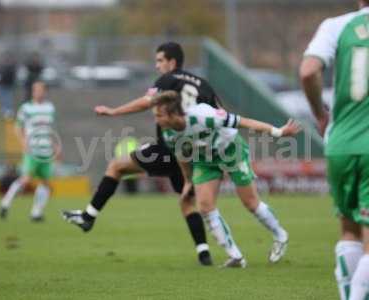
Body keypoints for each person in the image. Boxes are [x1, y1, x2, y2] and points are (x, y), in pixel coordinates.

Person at [62, 42, 221, 266]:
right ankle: (204, 253)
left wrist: (113, 111)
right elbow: (220, 115)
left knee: (116, 166)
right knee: (187, 202)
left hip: (168, 148)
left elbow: (147, 102)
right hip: (193, 153)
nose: (157, 66)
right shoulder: (204, 85)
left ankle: (88, 217)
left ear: (172, 62)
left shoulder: (167, 80)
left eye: (159, 61)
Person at [150, 91, 300, 267]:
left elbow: (244, 122)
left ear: (174, 114)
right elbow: (181, 154)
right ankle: (236, 256)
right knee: (205, 207)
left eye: (159, 115)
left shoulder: (204, 116)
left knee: (251, 203)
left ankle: (280, 235)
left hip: (231, 151)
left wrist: (278, 132)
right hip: (204, 160)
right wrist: (188, 181)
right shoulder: (168, 134)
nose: (156, 120)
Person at [300, 1, 369, 299]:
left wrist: (319, 113)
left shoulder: (336, 25)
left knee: (350, 230)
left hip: (339, 142)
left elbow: (308, 71)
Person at [0, 81, 59, 222]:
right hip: (32, 149)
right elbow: (18, 127)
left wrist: (56, 146)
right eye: (35, 90)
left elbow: (52, 129)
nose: (38, 92)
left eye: (40, 90)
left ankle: (36, 213)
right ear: (32, 92)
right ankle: (5, 203)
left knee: (45, 183)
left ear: (45, 91)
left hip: (46, 150)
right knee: (26, 179)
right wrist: (23, 142)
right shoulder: (26, 108)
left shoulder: (50, 108)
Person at [0, 52, 17, 119]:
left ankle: (9, 111)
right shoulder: (2, 66)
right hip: (2, 84)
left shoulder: (12, 66)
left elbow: (13, 75)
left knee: (9, 98)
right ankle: (3, 110)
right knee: (2, 98)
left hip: (9, 85)